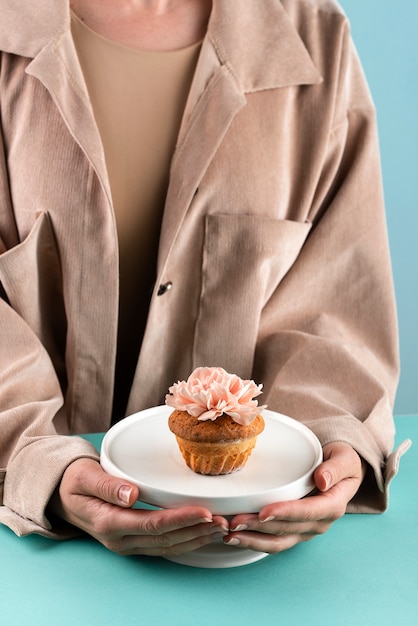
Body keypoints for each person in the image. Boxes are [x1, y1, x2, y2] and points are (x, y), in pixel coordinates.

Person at [0, 0, 409, 557]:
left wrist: (329, 447)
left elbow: (334, 302)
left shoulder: (315, 35)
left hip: (246, 548)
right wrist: (37, 462)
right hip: (32, 544)